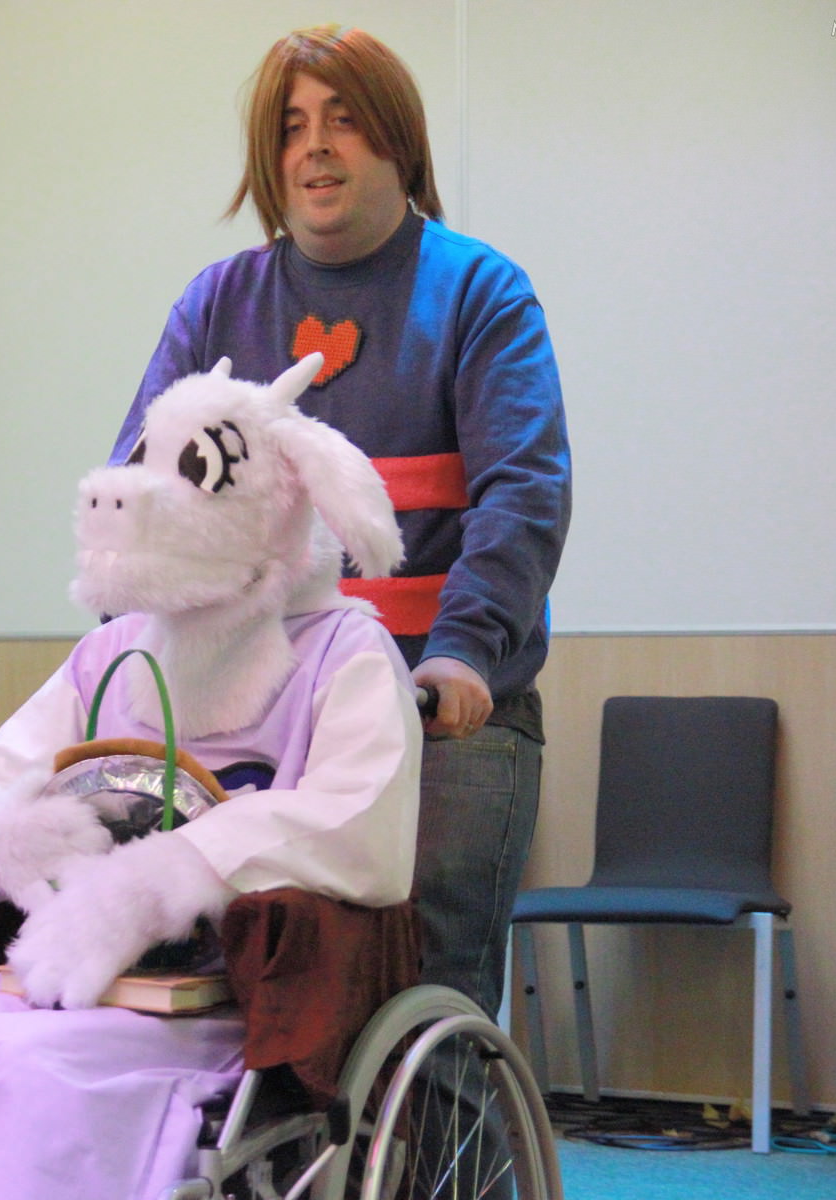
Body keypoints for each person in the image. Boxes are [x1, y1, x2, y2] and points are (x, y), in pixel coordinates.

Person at [109, 24, 571, 1021]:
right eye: (291, 127)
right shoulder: (217, 303)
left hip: (442, 715)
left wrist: (465, 652)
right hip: (256, 714)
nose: (314, 147)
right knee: (250, 1007)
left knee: (427, 1005)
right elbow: (141, 493)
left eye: (343, 120)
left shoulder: (480, 292)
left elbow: (524, 492)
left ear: (397, 139)